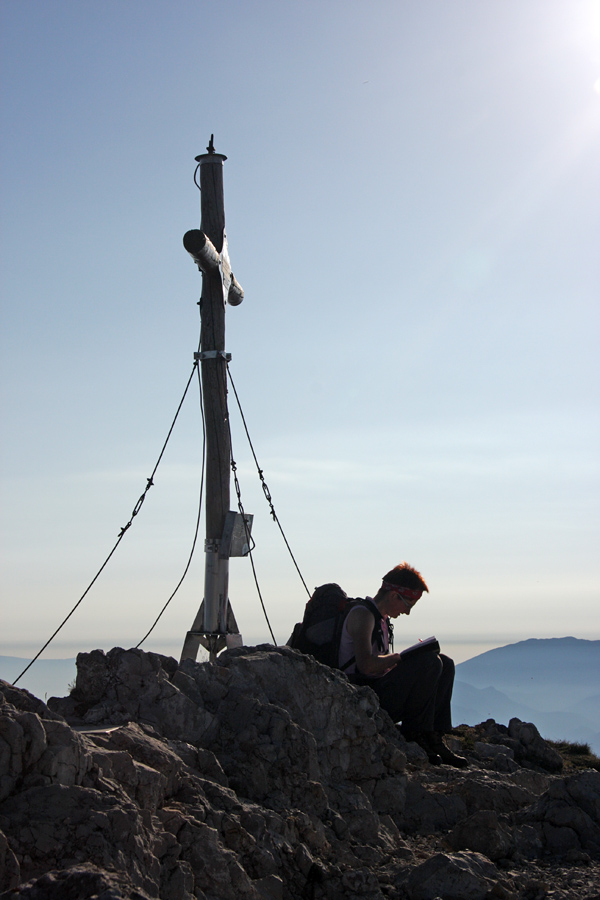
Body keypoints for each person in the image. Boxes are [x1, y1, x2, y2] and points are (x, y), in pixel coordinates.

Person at [338, 562, 467, 767]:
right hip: (362, 698)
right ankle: (415, 735)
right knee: (429, 663)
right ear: (393, 596)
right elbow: (366, 666)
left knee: (446, 663)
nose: (407, 612)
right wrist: (400, 658)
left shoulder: (381, 619)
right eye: (408, 605)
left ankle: (433, 736)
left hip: (377, 690)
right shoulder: (363, 615)